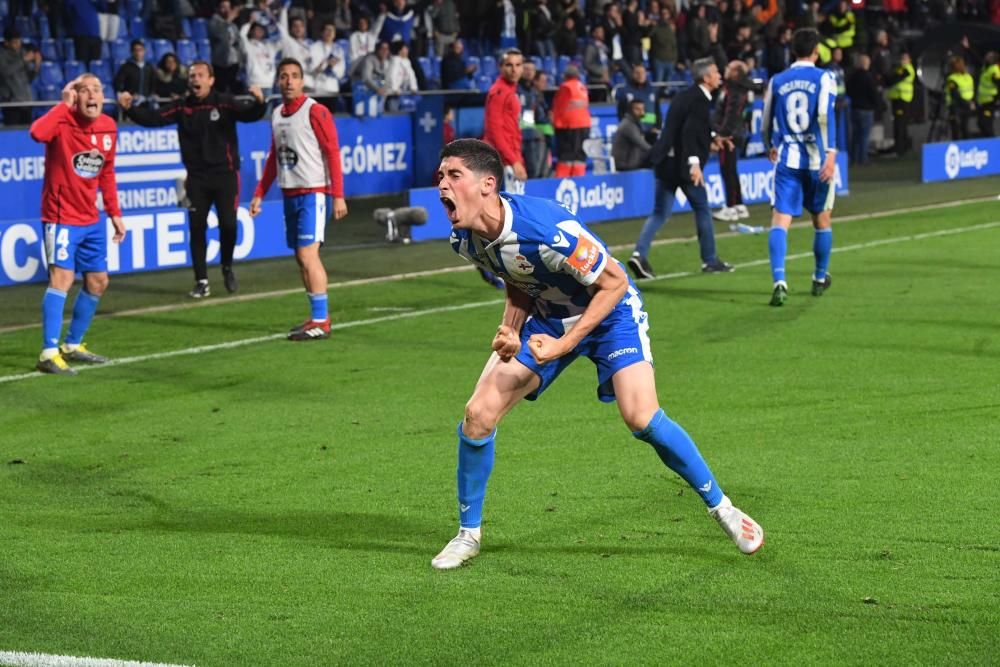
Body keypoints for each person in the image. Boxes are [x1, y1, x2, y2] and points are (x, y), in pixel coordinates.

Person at [429, 138, 764, 570]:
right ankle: (467, 534)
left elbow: (614, 283)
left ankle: (724, 510)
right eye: (440, 176)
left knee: (640, 416)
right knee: (478, 414)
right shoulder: (466, 239)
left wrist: (565, 345)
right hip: (550, 318)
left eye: (453, 176)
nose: (442, 186)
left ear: (488, 184)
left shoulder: (546, 226)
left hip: (610, 314)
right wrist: (510, 330)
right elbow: (515, 276)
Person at [119, 61, 267, 298]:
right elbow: (154, 118)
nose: (195, 80)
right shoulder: (181, 107)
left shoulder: (225, 102)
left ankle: (227, 266)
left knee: (228, 225)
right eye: (191, 76)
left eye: (199, 75)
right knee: (197, 228)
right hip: (197, 179)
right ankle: (201, 281)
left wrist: (260, 102)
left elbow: (250, 114)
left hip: (225, 175)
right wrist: (130, 109)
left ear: (211, 80)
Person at [30, 74, 126, 375]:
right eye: (85, 90)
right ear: (75, 96)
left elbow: (106, 174)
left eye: (97, 89)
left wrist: (114, 213)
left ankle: (72, 345)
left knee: (98, 281)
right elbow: (36, 132)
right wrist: (63, 104)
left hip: (91, 218)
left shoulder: (109, 126)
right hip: (60, 216)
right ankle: (48, 352)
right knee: (62, 277)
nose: (92, 95)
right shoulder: (61, 121)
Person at [249, 58, 348, 341]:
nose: (289, 81)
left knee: (308, 254)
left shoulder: (315, 111)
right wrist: (259, 193)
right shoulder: (278, 113)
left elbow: (332, 152)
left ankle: (322, 322)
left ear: (302, 81)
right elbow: (274, 157)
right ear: (278, 81)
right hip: (289, 193)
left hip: (313, 192)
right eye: (284, 76)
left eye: (294, 76)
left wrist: (338, 195)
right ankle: (315, 317)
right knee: (300, 256)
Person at [627, 57, 734, 281]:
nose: (719, 75)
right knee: (703, 209)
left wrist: (715, 137)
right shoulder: (700, 101)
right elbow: (689, 134)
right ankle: (710, 259)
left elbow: (686, 127)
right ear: (706, 78)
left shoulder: (684, 96)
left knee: (659, 213)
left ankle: (639, 253)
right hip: (683, 166)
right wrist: (694, 164)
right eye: (715, 72)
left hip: (665, 162)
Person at [761, 28, 837, 307]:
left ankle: (779, 281)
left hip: (787, 160)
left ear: (793, 51)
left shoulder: (777, 80)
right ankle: (818, 278)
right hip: (817, 160)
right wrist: (831, 154)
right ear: (816, 51)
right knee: (821, 220)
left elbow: (766, 119)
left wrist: (769, 143)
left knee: (780, 222)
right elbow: (825, 117)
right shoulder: (825, 78)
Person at [712, 59, 757, 222]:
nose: (725, 69)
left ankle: (730, 208)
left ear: (736, 72)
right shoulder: (734, 88)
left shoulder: (735, 90)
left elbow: (732, 115)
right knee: (731, 169)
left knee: (727, 170)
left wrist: (722, 135)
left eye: (729, 68)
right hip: (735, 133)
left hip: (730, 135)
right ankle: (739, 205)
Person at [484, 48, 528, 192]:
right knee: (505, 211)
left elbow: (513, 129)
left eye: (518, 65)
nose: (514, 70)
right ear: (501, 67)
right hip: (500, 161)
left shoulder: (511, 91)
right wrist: (514, 160)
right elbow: (494, 131)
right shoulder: (499, 92)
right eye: (509, 65)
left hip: (509, 158)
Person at [552, 64, 591, 177]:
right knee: (580, 156)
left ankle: (561, 180)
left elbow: (560, 107)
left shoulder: (565, 87)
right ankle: (579, 180)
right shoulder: (582, 87)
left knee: (566, 156)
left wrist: (557, 125)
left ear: (565, 76)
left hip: (569, 126)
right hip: (584, 125)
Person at [0, 26, 40, 126]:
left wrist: (36, 66)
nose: (18, 45)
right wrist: (23, 60)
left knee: (28, 134)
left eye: (19, 42)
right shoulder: (2, 55)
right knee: (12, 135)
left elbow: (28, 79)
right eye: (15, 42)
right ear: (6, 43)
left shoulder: (22, 53)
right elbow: (4, 72)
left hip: (26, 101)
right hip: (11, 103)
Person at [845, 53, 879, 165]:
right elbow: (873, 93)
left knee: (855, 135)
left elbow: (848, 90)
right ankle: (863, 159)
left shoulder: (853, 77)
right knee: (864, 136)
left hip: (855, 108)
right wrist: (876, 104)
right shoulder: (868, 77)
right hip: (866, 109)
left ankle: (853, 158)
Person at [884, 52, 914, 156]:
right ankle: (902, 146)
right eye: (902, 58)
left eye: (905, 58)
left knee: (900, 124)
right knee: (900, 124)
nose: (902, 60)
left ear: (909, 60)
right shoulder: (900, 68)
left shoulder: (907, 69)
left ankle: (900, 148)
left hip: (902, 100)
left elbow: (893, 79)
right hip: (898, 99)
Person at [611, 98, 652, 171]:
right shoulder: (628, 125)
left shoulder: (635, 123)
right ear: (630, 111)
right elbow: (641, 144)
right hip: (624, 165)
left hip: (631, 161)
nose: (642, 112)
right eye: (638, 109)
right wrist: (658, 152)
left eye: (642, 109)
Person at [113, 40, 156, 104]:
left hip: (146, 102)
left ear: (144, 51)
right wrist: (128, 95)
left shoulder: (149, 67)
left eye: (140, 50)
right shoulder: (126, 67)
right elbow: (118, 84)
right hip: (131, 101)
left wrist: (151, 94)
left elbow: (153, 84)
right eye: (135, 50)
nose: (138, 53)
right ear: (132, 52)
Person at [945, 56, 976, 141]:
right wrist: (971, 103)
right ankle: (967, 147)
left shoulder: (952, 78)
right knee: (965, 128)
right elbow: (973, 91)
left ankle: (959, 148)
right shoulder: (968, 77)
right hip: (967, 105)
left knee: (956, 130)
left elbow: (955, 95)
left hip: (956, 107)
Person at [977, 51, 999, 137]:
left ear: (993, 59)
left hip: (990, 102)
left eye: (988, 56)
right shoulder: (986, 68)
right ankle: (986, 142)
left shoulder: (994, 70)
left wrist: (996, 99)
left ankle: (993, 143)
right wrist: (968, 48)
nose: (986, 57)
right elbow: (978, 59)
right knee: (980, 123)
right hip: (983, 101)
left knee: (986, 123)